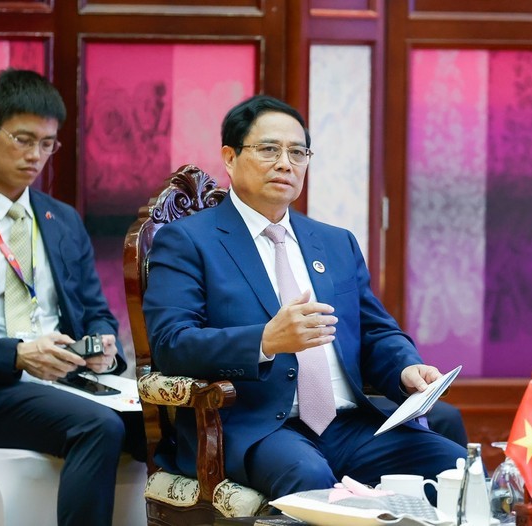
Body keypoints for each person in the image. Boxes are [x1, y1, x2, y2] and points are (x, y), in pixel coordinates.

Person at [143, 94, 468, 502]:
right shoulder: (189, 241)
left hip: (349, 424)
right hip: (256, 427)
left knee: (456, 470)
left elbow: (376, 332)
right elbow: (171, 344)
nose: (285, 163)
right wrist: (264, 341)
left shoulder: (334, 243)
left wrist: (405, 368)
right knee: (309, 479)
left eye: (298, 153)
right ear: (229, 157)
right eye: (268, 149)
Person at [0, 69, 141, 526]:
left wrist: (101, 347)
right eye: (23, 139)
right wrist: (17, 355)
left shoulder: (62, 219)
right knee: (98, 427)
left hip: (68, 378)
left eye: (47, 143)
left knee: (172, 420)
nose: (35, 156)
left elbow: (96, 311)